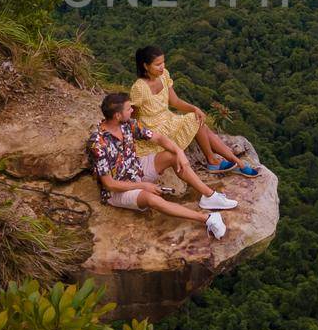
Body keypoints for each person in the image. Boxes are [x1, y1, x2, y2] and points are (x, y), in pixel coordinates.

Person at [88, 92, 236, 238]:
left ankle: (209, 196)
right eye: (128, 109)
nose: (133, 110)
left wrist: (179, 152)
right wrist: (142, 186)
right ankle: (208, 219)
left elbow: (158, 138)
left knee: (171, 156)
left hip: (135, 168)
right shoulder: (98, 144)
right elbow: (109, 184)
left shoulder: (128, 124)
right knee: (151, 199)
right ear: (117, 116)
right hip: (118, 189)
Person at [129, 45, 262, 177]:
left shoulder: (164, 76)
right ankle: (217, 161)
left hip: (167, 120)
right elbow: (131, 117)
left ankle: (234, 161)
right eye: (157, 64)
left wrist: (195, 108)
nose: (162, 67)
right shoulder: (139, 88)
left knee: (198, 120)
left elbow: (175, 102)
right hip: (153, 128)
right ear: (146, 66)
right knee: (195, 120)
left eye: (163, 62)